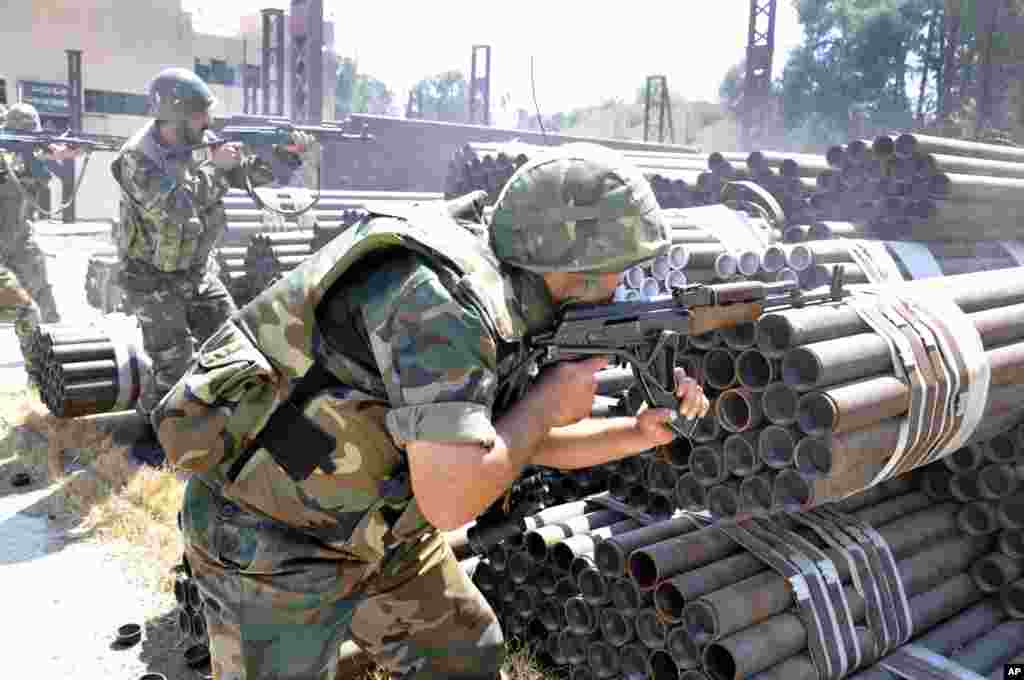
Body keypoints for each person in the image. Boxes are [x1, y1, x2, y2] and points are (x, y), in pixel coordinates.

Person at [151, 142, 710, 680]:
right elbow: (453, 498)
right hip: (274, 539)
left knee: (464, 656)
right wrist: (546, 402)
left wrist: (638, 432)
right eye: (621, 269)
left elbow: (507, 446)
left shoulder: (512, 298)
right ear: (576, 262)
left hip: (377, 527)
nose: (626, 287)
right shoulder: (441, 308)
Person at [110, 67, 315, 458]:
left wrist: (284, 158)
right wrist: (216, 168)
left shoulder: (199, 142)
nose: (209, 122)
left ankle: (224, 427)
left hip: (196, 271)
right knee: (173, 364)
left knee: (234, 345)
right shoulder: (136, 158)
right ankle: (152, 440)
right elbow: (173, 209)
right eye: (199, 115)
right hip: (150, 277)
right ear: (174, 117)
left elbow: (250, 176)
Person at [0, 102, 83, 386]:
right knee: (26, 310)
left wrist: (50, 153)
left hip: (21, 242)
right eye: (26, 137)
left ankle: (52, 370)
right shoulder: (4, 155)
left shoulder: (25, 157)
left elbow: (37, 184)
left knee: (46, 303)